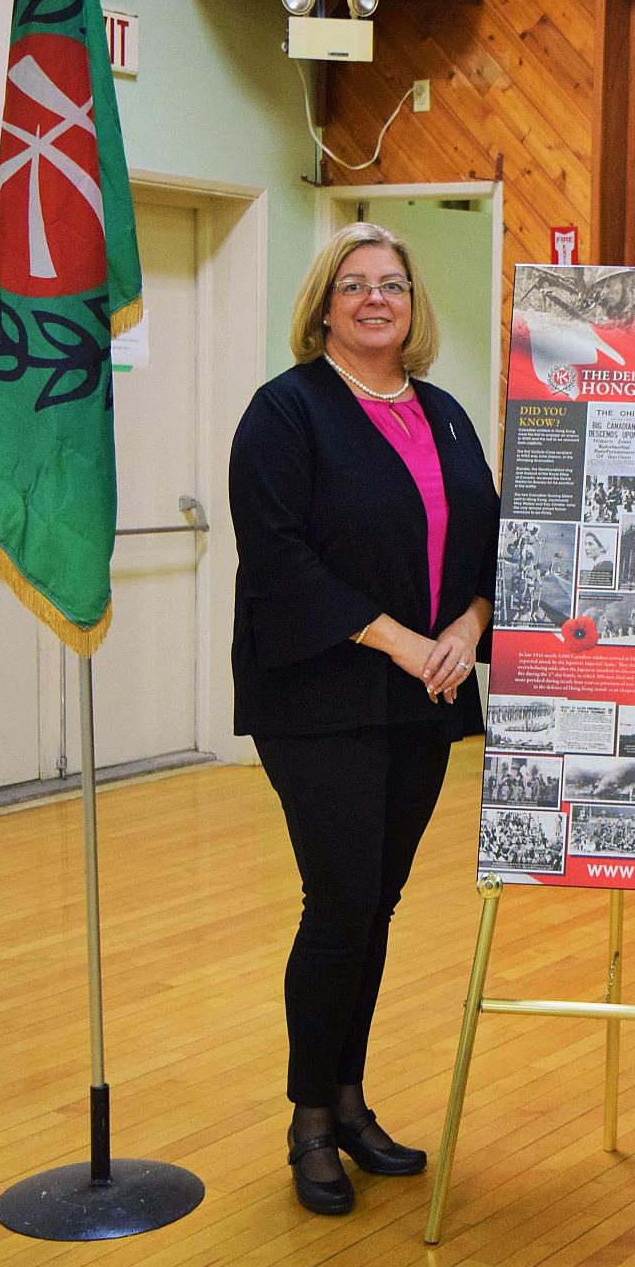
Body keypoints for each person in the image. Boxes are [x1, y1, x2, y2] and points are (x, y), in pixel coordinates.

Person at [229, 222, 498, 1216]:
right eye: (354, 285)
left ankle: (347, 1101)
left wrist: (467, 629)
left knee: (373, 906)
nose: (375, 299)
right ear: (324, 305)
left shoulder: (446, 415)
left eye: (391, 283)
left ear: (411, 303)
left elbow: (489, 544)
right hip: (319, 695)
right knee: (338, 904)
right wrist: (403, 641)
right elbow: (280, 559)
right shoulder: (285, 412)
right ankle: (307, 1120)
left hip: (423, 695)